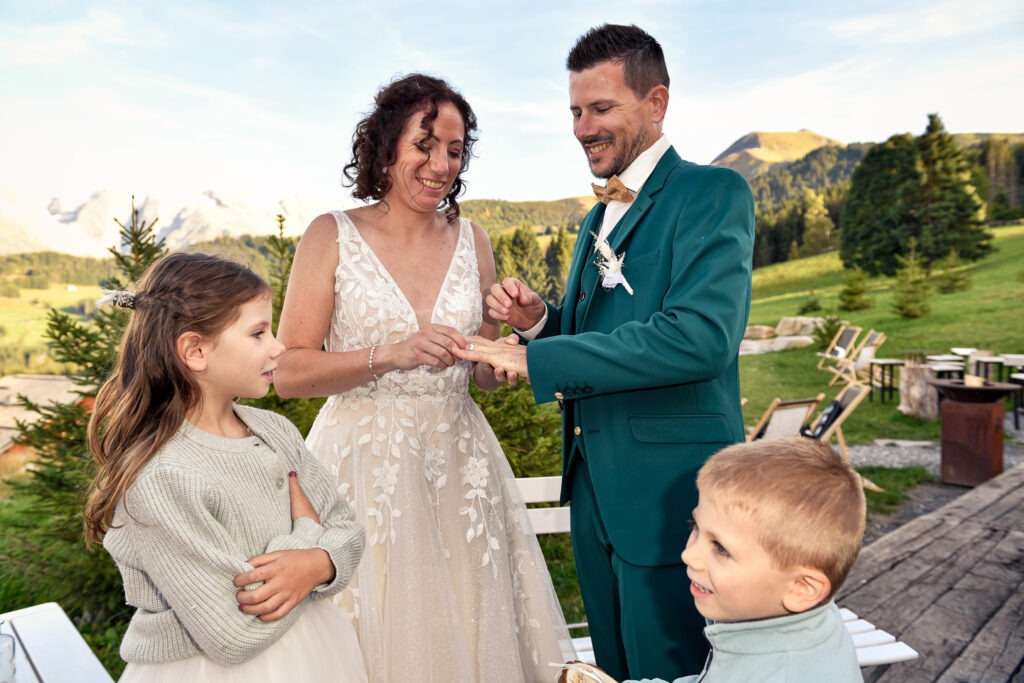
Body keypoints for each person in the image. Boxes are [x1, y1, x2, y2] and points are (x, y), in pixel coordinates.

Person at [455, 23, 756, 681]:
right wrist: (542, 326)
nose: (582, 127)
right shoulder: (596, 220)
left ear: (657, 103)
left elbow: (697, 338)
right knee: (616, 669)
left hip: (672, 496)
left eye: (601, 108)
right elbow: (607, 328)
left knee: (673, 668)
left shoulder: (712, 194)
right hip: (592, 492)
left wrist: (535, 363)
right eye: (574, 111)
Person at [274, 73, 574, 681]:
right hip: (360, 470)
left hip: (461, 469)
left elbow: (482, 374)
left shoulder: (473, 240)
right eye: (424, 145)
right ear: (385, 146)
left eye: (455, 151)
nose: (440, 164)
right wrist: (389, 355)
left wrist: (506, 346)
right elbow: (289, 371)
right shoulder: (331, 234)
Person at [83, 252, 367, 682]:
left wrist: (319, 564)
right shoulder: (160, 476)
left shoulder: (274, 430)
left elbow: (348, 528)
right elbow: (232, 632)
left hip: (313, 654)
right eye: (257, 333)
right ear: (195, 350)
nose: (278, 346)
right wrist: (309, 539)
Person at [560, 437, 866, 683]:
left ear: (802, 588)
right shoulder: (798, 623)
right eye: (695, 527)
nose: (688, 555)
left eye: (720, 548)